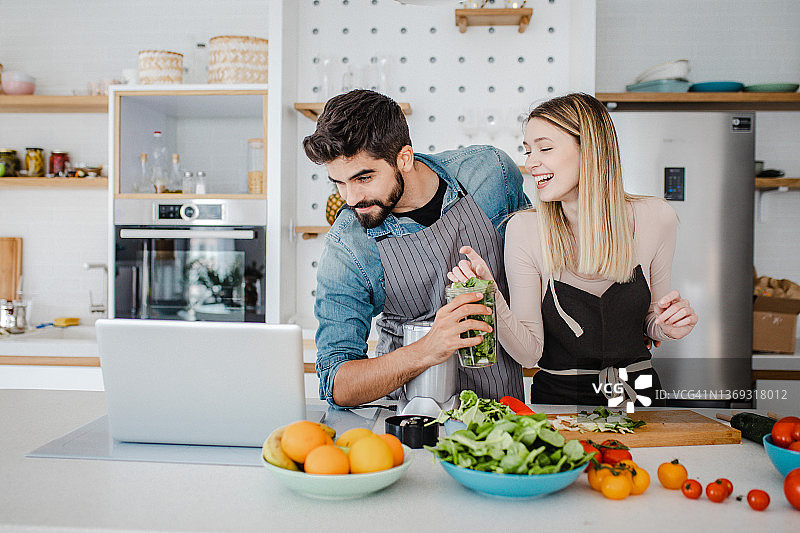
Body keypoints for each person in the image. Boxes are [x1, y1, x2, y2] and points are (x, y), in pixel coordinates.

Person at [448, 92, 698, 407]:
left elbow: (651, 320)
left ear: (590, 150)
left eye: (545, 148)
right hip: (556, 404)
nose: (531, 162)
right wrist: (491, 294)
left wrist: (669, 324)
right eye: (528, 151)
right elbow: (529, 353)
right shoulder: (525, 230)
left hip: (637, 398)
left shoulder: (655, 217)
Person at [303, 89, 530, 408]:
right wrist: (427, 349)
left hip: (503, 413)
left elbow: (537, 270)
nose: (351, 198)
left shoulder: (489, 174)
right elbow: (336, 382)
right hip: (409, 418)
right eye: (338, 183)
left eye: (363, 178)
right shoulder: (348, 244)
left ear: (404, 158)